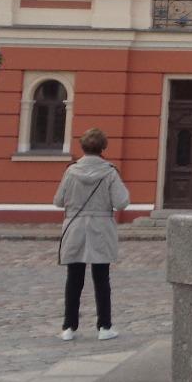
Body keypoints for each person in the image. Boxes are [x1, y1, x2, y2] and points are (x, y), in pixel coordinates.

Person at [54, 128, 130, 340]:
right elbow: (122, 201)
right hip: (101, 227)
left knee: (74, 278)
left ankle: (69, 327)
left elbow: (58, 200)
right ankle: (104, 327)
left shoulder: (71, 172)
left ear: (82, 147)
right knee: (101, 278)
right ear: (103, 147)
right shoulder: (110, 172)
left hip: (76, 226)